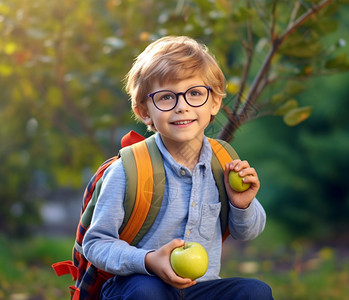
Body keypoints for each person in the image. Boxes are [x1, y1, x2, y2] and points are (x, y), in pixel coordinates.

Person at [83, 36, 273, 300]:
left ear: (214, 103)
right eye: (166, 97)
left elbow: (247, 232)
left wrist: (242, 205)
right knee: (147, 291)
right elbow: (95, 244)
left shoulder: (222, 164)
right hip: (139, 285)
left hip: (199, 289)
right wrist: (149, 260)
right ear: (144, 112)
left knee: (255, 292)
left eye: (195, 93)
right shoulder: (129, 170)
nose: (182, 106)